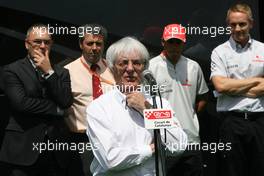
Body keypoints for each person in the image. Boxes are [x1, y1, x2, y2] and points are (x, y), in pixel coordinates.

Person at [86, 36, 187, 175]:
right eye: (123, 63)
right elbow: (111, 160)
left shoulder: (158, 104)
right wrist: (152, 149)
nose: (130, 69)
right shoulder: (99, 108)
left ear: (145, 67)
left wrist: (147, 110)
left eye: (137, 63)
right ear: (111, 68)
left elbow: (178, 145)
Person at [0, 24, 73, 176]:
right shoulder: (11, 70)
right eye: (37, 42)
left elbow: (66, 101)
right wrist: (57, 109)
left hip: (55, 151)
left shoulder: (62, 72)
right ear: (27, 44)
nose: (42, 46)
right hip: (22, 150)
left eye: (47, 42)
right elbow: (21, 103)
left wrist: (49, 72)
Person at [210, 3, 264, 176]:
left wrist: (233, 87)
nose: (237, 28)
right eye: (233, 24)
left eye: (242, 24)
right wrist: (256, 81)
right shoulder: (219, 52)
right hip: (231, 123)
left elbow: (227, 86)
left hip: (259, 122)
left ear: (251, 24)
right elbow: (221, 85)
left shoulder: (263, 50)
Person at [149, 23, 209, 176]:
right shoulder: (150, 67)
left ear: (184, 43)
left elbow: (202, 98)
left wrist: (189, 116)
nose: (174, 46)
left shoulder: (193, 66)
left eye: (178, 42)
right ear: (163, 42)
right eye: (170, 41)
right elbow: (146, 103)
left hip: (191, 140)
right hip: (163, 142)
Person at [64, 24, 115, 176]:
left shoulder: (114, 70)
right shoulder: (67, 72)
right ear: (81, 44)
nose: (94, 48)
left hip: (112, 140)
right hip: (82, 141)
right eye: (89, 43)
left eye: (98, 44)